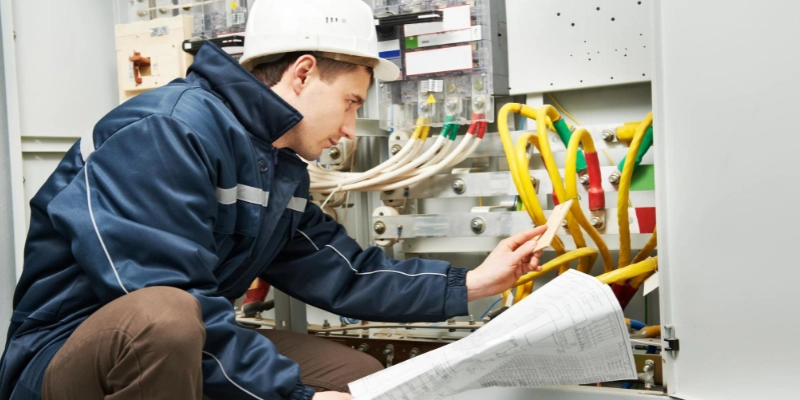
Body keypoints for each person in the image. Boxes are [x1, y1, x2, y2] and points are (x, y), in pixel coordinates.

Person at [0, 0, 546, 399]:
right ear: (303, 72)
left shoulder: (273, 165)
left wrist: (474, 282)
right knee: (165, 316)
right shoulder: (166, 132)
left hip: (179, 344)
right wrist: (294, 398)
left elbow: (343, 272)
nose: (352, 129)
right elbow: (163, 296)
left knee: (356, 379)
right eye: (351, 102)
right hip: (66, 361)